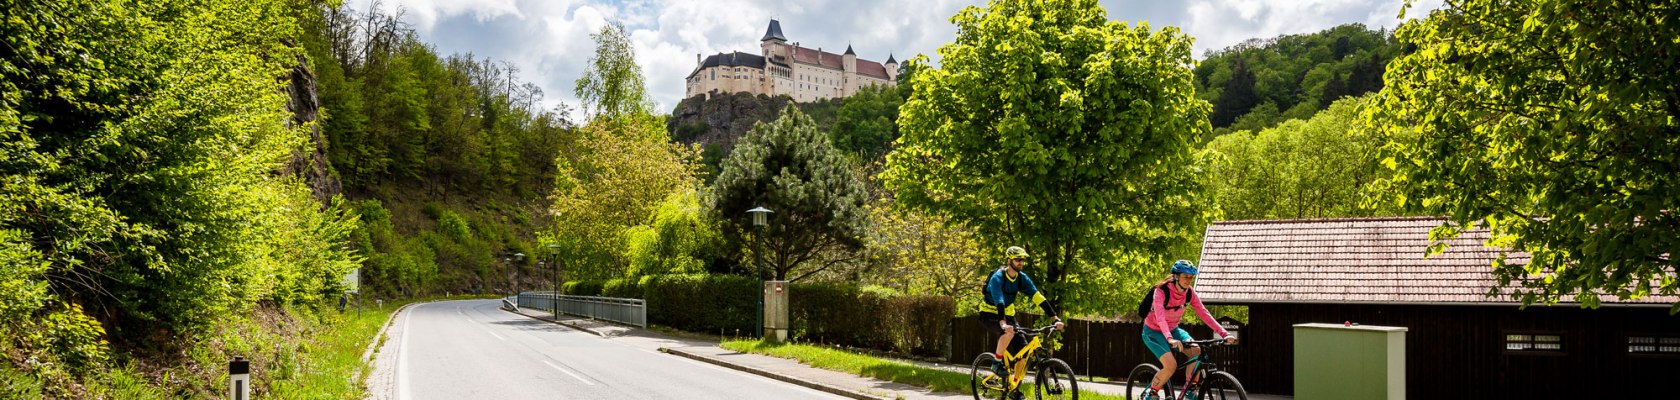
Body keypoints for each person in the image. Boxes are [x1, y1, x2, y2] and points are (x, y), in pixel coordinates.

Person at [1141, 260, 1236, 400]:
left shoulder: (1189, 293)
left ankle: (1190, 390)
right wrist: (1169, 338)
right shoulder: (1161, 291)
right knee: (1170, 365)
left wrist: (1224, 333)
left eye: (1191, 277)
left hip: (1173, 329)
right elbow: (1160, 317)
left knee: (1196, 350)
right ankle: (1151, 393)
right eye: (1186, 276)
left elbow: (1204, 314)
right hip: (1153, 331)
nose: (1189, 280)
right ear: (1176, 276)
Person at [978, 246, 1064, 390]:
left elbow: (1038, 297)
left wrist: (1054, 318)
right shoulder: (998, 277)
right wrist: (1003, 323)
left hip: (1008, 315)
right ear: (1009, 260)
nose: (1021, 263)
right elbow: (999, 300)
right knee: (1008, 332)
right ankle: (996, 363)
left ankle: (1014, 388)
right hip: (989, 314)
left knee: (1024, 354)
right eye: (1018, 260)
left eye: (1022, 260)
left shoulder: (1022, 278)